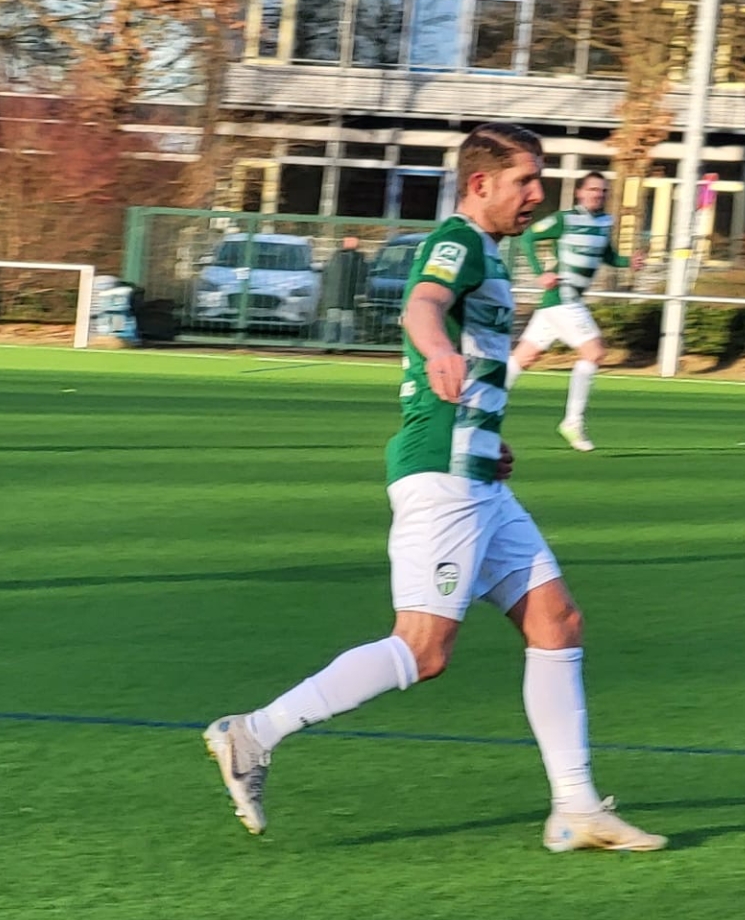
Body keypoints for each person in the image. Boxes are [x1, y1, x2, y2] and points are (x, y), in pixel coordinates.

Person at [204, 124, 664, 854]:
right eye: (525, 181)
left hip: (474, 473)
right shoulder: (457, 240)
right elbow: (421, 304)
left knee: (557, 623)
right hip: (443, 480)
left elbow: (461, 356)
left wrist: (486, 437)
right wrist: (439, 347)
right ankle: (254, 734)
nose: (538, 195)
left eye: (540, 181)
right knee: (422, 650)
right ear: (481, 184)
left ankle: (575, 808)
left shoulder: (490, 253)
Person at [509, 170, 635, 453]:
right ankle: (572, 422)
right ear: (579, 192)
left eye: (602, 191)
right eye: (592, 189)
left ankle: (477, 406)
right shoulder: (564, 219)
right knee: (594, 353)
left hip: (564, 302)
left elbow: (608, 256)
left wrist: (630, 262)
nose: (597, 195)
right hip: (562, 298)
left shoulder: (604, 222)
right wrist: (540, 273)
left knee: (523, 357)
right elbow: (527, 237)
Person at [319, 235, 368, 346]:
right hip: (347, 295)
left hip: (335, 296)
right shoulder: (356, 258)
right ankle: (343, 342)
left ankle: (332, 342)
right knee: (345, 319)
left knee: (336, 318)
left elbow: (326, 276)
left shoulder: (335, 257)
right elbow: (361, 276)